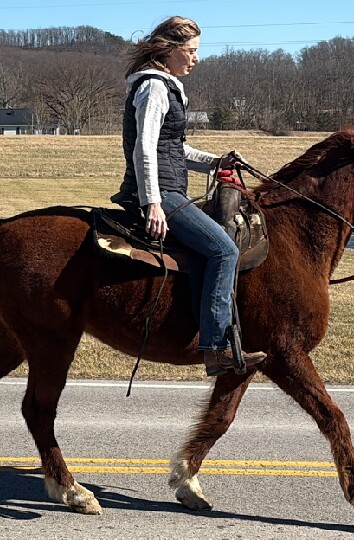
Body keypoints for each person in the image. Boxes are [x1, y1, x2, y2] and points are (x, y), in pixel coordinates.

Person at [111, 16, 266, 377]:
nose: (196, 58)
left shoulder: (165, 86)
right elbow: (144, 149)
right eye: (191, 51)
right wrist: (152, 202)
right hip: (161, 194)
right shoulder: (154, 87)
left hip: (168, 190)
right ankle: (216, 347)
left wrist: (216, 162)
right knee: (224, 250)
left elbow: (174, 149)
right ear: (170, 50)